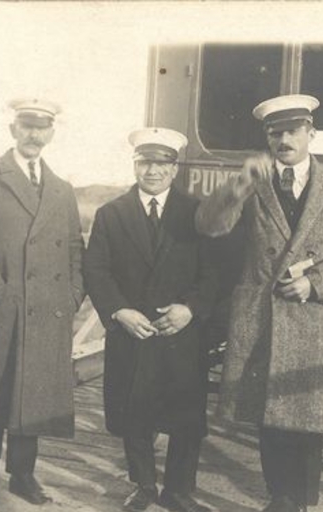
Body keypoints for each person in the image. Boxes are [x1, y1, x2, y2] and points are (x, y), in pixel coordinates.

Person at [194, 95, 323, 512]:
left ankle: (299, 501)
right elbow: (209, 226)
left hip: (318, 314)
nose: (284, 139)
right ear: (267, 139)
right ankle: (281, 498)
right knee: (270, 416)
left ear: (311, 133)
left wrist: (316, 283)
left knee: (310, 417)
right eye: (275, 133)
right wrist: (237, 185)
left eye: (293, 131)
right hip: (264, 314)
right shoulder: (252, 183)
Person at [0, 98, 85, 511]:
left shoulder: (62, 189)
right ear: (13, 129)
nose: (34, 135)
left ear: (52, 134)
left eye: (42, 128)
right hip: (2, 309)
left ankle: (23, 476)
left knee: (35, 396)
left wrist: (72, 295)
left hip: (47, 310)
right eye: (26, 126)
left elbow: (76, 248)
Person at [83, 128, 217, 512]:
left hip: (181, 332)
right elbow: (96, 270)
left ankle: (178, 490)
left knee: (186, 413)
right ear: (135, 165)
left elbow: (213, 274)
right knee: (134, 409)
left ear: (175, 169)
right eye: (145, 162)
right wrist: (119, 311)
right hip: (132, 330)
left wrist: (189, 309)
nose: (153, 171)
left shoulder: (197, 213)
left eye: (162, 163)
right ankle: (143, 484)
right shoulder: (111, 213)